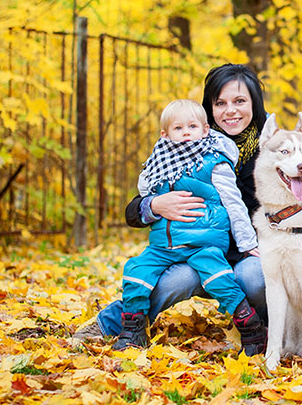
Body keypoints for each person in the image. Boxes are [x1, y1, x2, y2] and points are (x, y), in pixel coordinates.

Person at [72, 64, 269, 353]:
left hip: (248, 252)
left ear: (254, 103)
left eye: (240, 101)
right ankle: (111, 324)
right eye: (220, 103)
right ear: (209, 109)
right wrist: (154, 205)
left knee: (252, 277)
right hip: (194, 249)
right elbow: (134, 208)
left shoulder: (272, 148)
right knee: (176, 279)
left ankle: (267, 327)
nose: (230, 111)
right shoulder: (184, 142)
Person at [112, 98, 265, 351]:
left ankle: (250, 327)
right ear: (165, 134)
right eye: (178, 129)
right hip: (164, 245)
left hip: (202, 242)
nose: (185, 134)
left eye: (192, 127)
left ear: (205, 130)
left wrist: (248, 243)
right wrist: (154, 203)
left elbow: (234, 203)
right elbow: (142, 191)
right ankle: (133, 329)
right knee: (136, 271)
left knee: (219, 278)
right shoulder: (159, 162)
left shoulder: (215, 162)